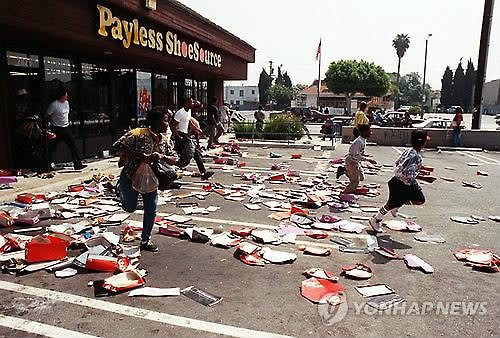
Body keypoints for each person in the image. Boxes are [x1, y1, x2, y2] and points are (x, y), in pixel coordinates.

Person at [113, 108, 178, 252]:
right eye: (165, 120)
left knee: (151, 209)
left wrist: (162, 157)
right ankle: (119, 188)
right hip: (131, 176)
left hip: (152, 180)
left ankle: (145, 240)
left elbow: (175, 158)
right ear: (155, 121)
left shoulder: (165, 139)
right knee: (129, 208)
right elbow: (117, 146)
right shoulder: (138, 133)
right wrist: (140, 155)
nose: (167, 124)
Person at [368, 130, 430, 233]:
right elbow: (407, 174)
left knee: (401, 201)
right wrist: (424, 178)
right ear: (422, 142)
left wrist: (422, 171)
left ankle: (395, 206)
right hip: (402, 184)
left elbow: (400, 165)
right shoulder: (416, 156)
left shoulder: (409, 151)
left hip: (399, 181)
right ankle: (375, 219)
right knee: (394, 203)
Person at [171, 98, 214, 180]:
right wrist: (178, 136)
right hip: (180, 135)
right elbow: (173, 126)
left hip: (185, 134)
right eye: (191, 102)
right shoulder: (180, 113)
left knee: (195, 153)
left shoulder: (188, 111)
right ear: (186, 103)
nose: (193, 104)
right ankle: (174, 171)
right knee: (184, 155)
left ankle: (203, 172)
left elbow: (189, 122)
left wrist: (196, 129)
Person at [46, 87, 85, 170]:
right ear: (61, 96)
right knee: (51, 147)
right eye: (65, 95)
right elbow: (47, 114)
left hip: (66, 128)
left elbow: (66, 114)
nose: (67, 96)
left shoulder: (66, 103)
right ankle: (48, 165)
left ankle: (78, 164)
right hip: (56, 128)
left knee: (73, 146)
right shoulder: (54, 105)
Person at [336, 124, 377, 193]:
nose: (371, 133)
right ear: (364, 132)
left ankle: (344, 170)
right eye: (369, 131)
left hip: (355, 161)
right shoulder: (359, 142)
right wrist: (368, 160)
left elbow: (358, 153)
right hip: (352, 161)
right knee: (355, 182)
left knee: (361, 177)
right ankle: (345, 193)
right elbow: (355, 155)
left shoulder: (362, 140)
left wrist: (366, 157)